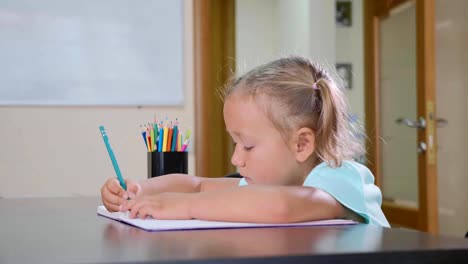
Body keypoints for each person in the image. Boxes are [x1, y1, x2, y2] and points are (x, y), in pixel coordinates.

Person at [100, 56, 390, 227]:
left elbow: (282, 207)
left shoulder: (338, 179)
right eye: (235, 144)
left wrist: (184, 207)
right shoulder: (269, 182)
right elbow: (197, 184)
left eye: (248, 146)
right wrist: (140, 190)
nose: (236, 160)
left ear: (301, 145)